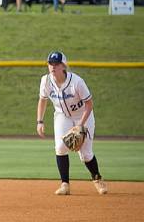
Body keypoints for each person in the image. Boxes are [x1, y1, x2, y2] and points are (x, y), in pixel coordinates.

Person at [36, 51, 107, 196]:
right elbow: (42, 100)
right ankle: (65, 185)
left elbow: (89, 104)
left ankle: (97, 179)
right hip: (62, 115)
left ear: (64, 66)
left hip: (83, 115)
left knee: (86, 154)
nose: (53, 67)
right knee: (60, 148)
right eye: (50, 63)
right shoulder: (46, 81)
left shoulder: (77, 82)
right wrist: (40, 121)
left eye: (56, 64)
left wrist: (80, 125)